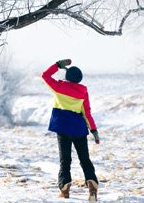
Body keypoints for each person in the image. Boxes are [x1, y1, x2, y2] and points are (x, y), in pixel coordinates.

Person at [42, 59, 99, 202]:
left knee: (65, 160)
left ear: (67, 77)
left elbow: (45, 76)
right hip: (79, 129)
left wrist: (58, 65)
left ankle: (65, 189)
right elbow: (87, 112)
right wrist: (94, 130)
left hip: (63, 129)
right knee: (85, 159)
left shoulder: (58, 87)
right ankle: (92, 185)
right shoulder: (83, 92)